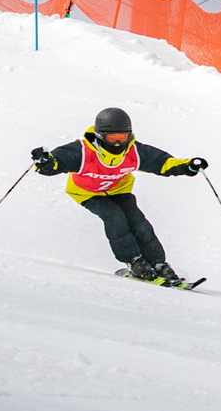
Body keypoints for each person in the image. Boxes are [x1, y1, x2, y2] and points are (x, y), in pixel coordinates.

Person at [30, 107, 207, 282]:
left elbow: (162, 162)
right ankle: (134, 261)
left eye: (122, 138)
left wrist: (188, 166)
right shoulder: (82, 151)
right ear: (100, 136)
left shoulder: (133, 151)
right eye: (112, 138)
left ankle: (158, 263)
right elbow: (55, 163)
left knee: (138, 222)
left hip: (119, 190)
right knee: (114, 217)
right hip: (87, 193)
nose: (117, 143)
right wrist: (44, 161)